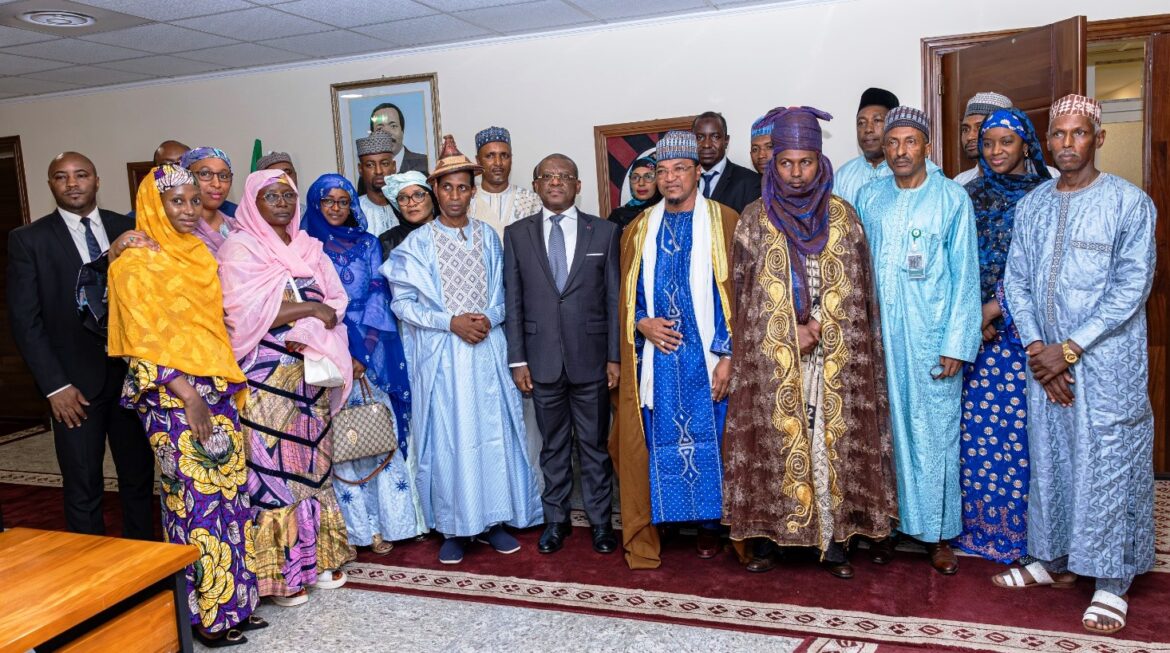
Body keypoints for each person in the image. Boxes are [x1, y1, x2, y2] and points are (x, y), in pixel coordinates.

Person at [997, 94, 1157, 636]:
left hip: (1107, 365)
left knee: (1108, 462)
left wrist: (1069, 349)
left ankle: (1112, 582)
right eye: (1058, 134)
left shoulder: (1129, 203)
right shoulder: (1034, 204)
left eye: (1078, 133)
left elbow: (1130, 288)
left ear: (1098, 137)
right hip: (1044, 362)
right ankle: (1052, 557)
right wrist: (1041, 349)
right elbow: (1016, 280)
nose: (1067, 144)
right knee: (1050, 456)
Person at [722, 107, 898, 580]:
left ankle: (836, 540)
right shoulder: (754, 221)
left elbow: (862, 297)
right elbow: (742, 301)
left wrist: (825, 326)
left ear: (820, 162)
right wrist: (786, 332)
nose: (796, 173)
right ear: (772, 163)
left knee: (830, 445)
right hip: (775, 362)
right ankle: (773, 539)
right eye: (786, 163)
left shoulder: (843, 218)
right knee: (776, 445)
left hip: (835, 358)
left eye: (805, 162)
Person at [108, 165, 264, 647]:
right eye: (177, 201)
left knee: (232, 500)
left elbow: (214, 323)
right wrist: (191, 399)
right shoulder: (132, 265)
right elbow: (143, 341)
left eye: (195, 201)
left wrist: (212, 395)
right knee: (193, 504)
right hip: (174, 399)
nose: (189, 210)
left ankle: (236, 602)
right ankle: (203, 616)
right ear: (155, 204)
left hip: (216, 391)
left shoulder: (198, 251)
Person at [383, 135, 542, 565]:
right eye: (447, 187)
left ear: (473, 191)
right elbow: (402, 303)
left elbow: (507, 292)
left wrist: (488, 317)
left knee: (493, 435)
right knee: (450, 438)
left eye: (462, 187)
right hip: (443, 357)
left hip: (487, 350)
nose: (455, 195)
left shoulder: (489, 237)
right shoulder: (416, 245)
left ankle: (494, 522)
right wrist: (449, 322)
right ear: (436, 191)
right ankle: (454, 526)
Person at [217, 169, 354, 607]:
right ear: (252, 203)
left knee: (313, 467)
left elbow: (337, 301)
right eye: (271, 196)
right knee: (273, 473)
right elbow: (243, 312)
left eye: (288, 196)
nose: (281, 203)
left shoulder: (309, 247)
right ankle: (282, 575)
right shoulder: (239, 248)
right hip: (265, 377)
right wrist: (310, 307)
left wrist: (317, 311)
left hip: (311, 374)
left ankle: (317, 560)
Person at [854, 107, 981, 575]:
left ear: (927, 145)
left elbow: (966, 275)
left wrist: (956, 342)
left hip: (931, 339)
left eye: (910, 142)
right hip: (878, 340)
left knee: (933, 436)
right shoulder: (871, 196)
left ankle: (939, 534)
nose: (900, 151)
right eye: (892, 142)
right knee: (882, 435)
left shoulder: (951, 199)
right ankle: (887, 528)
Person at [7, 152, 154, 540]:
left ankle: (145, 564)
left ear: (97, 180)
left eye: (81, 175)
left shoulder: (130, 228)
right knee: (84, 486)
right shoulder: (28, 240)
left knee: (139, 481)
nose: (72, 183)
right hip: (73, 388)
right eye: (61, 177)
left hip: (131, 380)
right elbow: (26, 322)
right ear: (51, 185)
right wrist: (54, 386)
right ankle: (92, 574)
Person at [611, 130, 738, 569]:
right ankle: (662, 520)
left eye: (680, 169)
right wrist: (641, 323)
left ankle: (709, 527)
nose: (670, 179)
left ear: (698, 172)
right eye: (662, 171)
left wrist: (728, 355)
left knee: (715, 438)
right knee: (655, 438)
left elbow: (740, 294)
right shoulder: (638, 229)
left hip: (708, 357)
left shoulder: (725, 221)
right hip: (657, 358)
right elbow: (625, 296)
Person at [301, 173, 427, 554]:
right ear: (315, 204)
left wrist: (363, 352)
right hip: (326, 348)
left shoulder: (369, 242)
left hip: (370, 352)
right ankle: (356, 530)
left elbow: (378, 291)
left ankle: (393, 523)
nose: (336, 208)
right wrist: (337, 349)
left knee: (376, 434)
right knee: (339, 444)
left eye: (343, 200)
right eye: (328, 201)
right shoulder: (304, 246)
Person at [503, 153, 621, 555]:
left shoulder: (604, 232)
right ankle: (556, 522)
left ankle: (602, 524)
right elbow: (513, 300)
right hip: (540, 362)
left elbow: (612, 298)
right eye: (547, 177)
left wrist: (614, 357)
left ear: (578, 185)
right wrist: (517, 359)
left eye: (564, 176)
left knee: (594, 445)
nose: (556, 182)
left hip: (592, 360)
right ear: (536, 185)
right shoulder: (516, 234)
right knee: (552, 447)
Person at [955, 108, 1051, 564]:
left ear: (1026, 145)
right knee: (977, 432)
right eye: (988, 142)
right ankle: (980, 529)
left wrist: (994, 309)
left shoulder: (1045, 196)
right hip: (974, 333)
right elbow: (955, 261)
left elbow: (1043, 270)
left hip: (1026, 332)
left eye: (1005, 142)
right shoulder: (967, 195)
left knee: (1024, 434)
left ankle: (1031, 536)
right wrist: (971, 314)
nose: (994, 151)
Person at [470, 126, 543, 237]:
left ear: (511, 159)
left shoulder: (531, 200)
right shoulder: (468, 200)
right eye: (490, 156)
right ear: (478, 161)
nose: (498, 162)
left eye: (504, 155)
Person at [834, 88, 900, 206]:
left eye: (877, 120)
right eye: (861, 123)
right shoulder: (843, 176)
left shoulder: (909, 171)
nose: (868, 129)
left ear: (894, 126)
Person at [692, 111, 761, 213]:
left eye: (715, 137)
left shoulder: (751, 182)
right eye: (699, 137)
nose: (706, 144)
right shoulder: (684, 180)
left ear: (726, 141)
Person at [182, 147, 238, 255]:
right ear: (186, 177)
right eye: (205, 174)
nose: (217, 184)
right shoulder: (176, 228)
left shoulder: (237, 225)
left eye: (223, 176)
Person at [953, 93, 1013, 186]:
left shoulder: (1038, 180)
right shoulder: (960, 182)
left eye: (979, 127)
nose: (970, 137)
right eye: (965, 129)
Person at [379, 170, 439, 257]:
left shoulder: (450, 234)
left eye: (418, 195)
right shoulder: (387, 241)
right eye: (402, 198)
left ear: (433, 198)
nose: (411, 203)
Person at [355, 132, 400, 237]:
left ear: (393, 166)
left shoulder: (407, 205)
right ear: (360, 169)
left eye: (384, 164)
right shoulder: (354, 211)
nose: (378, 171)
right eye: (370, 165)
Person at [370, 102, 430, 174]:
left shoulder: (425, 163)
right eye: (380, 129)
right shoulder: (368, 174)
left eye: (393, 126)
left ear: (402, 131)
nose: (387, 133)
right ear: (372, 136)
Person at [605, 156, 660, 234]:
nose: (641, 183)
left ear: (657, 180)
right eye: (635, 177)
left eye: (648, 177)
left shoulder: (666, 211)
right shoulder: (617, 216)